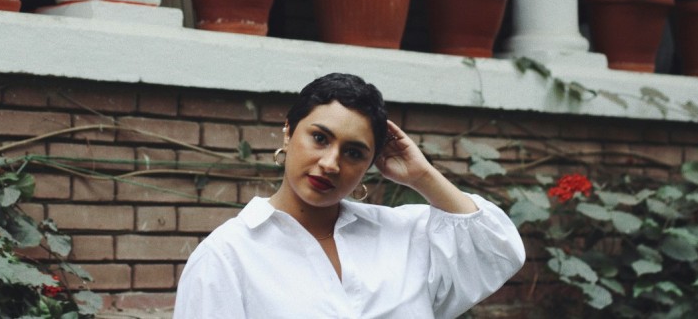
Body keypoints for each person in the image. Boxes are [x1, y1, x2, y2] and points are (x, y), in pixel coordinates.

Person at [173, 73, 525, 318]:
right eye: (320, 138)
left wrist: (423, 176)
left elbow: (499, 249)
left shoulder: (403, 235)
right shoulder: (228, 255)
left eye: (354, 153)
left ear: (370, 164)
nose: (330, 163)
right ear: (287, 134)